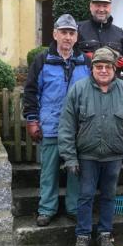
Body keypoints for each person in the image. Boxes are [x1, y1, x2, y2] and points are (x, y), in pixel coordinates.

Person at [58, 47, 123, 246]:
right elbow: (67, 125)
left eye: (107, 67)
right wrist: (69, 157)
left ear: (115, 69)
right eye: (99, 67)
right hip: (87, 156)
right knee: (85, 196)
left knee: (108, 196)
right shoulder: (78, 90)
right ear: (92, 69)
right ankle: (83, 235)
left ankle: (105, 233)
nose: (103, 70)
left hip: (114, 156)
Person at [23, 14, 91, 227]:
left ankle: (73, 207)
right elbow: (31, 92)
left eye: (71, 33)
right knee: (49, 171)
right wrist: (32, 120)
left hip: (78, 128)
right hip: (50, 126)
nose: (67, 37)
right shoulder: (42, 61)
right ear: (55, 34)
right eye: (64, 32)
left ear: (76, 37)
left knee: (75, 171)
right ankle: (47, 209)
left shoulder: (85, 62)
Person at [77, 0, 123, 77]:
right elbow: (67, 54)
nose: (101, 9)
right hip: (85, 86)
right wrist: (83, 57)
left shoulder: (119, 32)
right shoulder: (78, 29)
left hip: (112, 87)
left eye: (105, 6)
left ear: (110, 8)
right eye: (98, 5)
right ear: (91, 7)